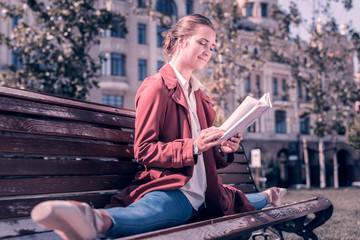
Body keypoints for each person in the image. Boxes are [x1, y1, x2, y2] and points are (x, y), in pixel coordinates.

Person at [31, 14, 287, 240]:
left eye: (212, 47)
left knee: (239, 200)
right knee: (153, 211)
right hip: (175, 188)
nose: (209, 51)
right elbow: (144, 150)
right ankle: (94, 220)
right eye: (202, 42)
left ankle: (268, 196)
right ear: (181, 41)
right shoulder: (157, 87)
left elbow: (209, 158)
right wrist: (194, 145)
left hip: (207, 192)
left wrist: (223, 147)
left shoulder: (201, 96)